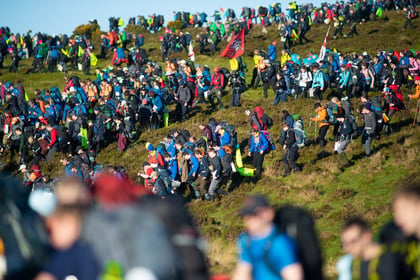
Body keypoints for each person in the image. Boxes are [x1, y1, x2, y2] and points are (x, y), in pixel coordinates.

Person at [233, 194, 303, 280]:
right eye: (247, 215)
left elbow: (293, 276)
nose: (249, 220)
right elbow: (243, 272)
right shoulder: (246, 241)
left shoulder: (281, 244)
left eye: (254, 215)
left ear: (269, 214)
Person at [34, 206, 99, 280]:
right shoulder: (85, 251)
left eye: (50, 230)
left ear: (70, 225)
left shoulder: (67, 255)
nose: (49, 235)